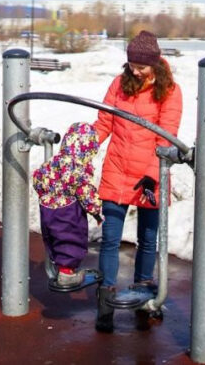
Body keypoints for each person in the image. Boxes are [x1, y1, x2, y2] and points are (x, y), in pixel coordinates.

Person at [93, 30, 183, 333]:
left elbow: (166, 135)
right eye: (131, 65)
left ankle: (144, 294)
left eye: (141, 67)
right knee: (110, 238)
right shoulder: (119, 84)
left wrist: (154, 176)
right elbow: (105, 122)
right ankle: (105, 302)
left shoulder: (170, 91)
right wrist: (84, 147)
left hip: (149, 174)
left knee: (147, 239)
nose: (135, 70)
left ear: (155, 64)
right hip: (117, 169)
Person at [32, 122, 103, 287]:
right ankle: (67, 274)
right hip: (68, 209)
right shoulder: (79, 168)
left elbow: (37, 178)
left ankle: (61, 268)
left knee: (55, 237)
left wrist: (47, 195)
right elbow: (86, 192)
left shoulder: (53, 162)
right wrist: (95, 211)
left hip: (47, 208)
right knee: (72, 237)